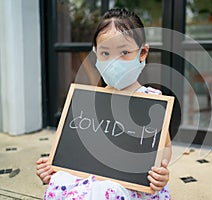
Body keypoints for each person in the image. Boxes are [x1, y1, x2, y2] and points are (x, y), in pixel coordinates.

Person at [36, 8, 172, 200]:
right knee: (59, 181)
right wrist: (55, 165)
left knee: (109, 192)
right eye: (105, 53)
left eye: (124, 52)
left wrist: (161, 170)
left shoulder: (151, 100)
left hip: (130, 183)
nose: (113, 62)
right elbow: (76, 149)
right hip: (93, 175)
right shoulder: (91, 100)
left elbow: (165, 146)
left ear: (142, 53)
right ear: (96, 54)